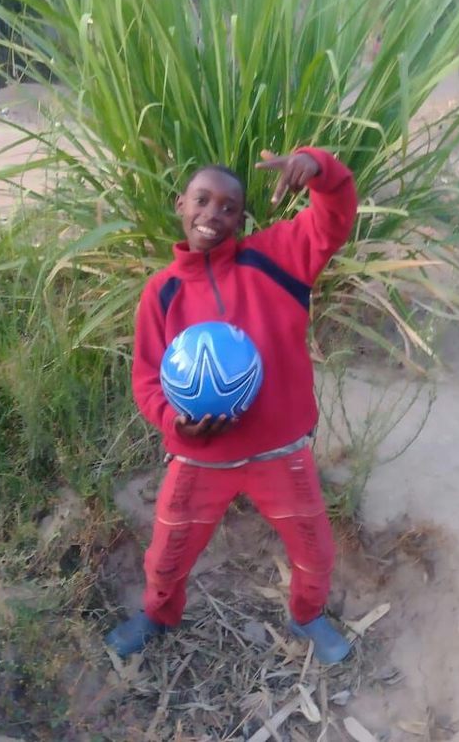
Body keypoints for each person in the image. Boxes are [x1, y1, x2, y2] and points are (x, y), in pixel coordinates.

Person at [106, 147, 358, 664]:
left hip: (279, 451)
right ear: (180, 205)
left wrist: (319, 169)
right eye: (202, 200)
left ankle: (307, 614)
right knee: (168, 553)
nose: (212, 214)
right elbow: (147, 379)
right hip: (199, 457)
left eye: (228, 208)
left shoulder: (278, 259)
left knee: (313, 549)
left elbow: (333, 219)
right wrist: (175, 423)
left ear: (242, 221)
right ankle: (158, 614)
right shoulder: (162, 292)